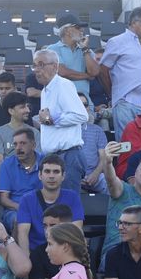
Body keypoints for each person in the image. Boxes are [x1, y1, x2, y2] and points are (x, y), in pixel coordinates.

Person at [33, 48, 90, 190]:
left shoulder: (62, 85)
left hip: (68, 156)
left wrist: (53, 119)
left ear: (55, 66)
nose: (37, 69)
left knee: (67, 207)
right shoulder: (46, 90)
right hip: (56, 158)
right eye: (35, 65)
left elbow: (82, 115)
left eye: (41, 64)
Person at [103, 7, 141, 134]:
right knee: (128, 145)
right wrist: (113, 95)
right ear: (134, 23)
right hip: (126, 103)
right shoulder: (117, 42)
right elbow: (103, 68)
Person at [102, 148, 141, 262]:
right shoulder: (122, 189)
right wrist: (108, 162)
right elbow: (111, 180)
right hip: (116, 254)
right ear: (135, 173)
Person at [15, 154, 84, 249]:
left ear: (63, 176)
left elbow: (76, 231)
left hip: (64, 252)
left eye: (56, 172)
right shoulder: (27, 199)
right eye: (47, 171)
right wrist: (27, 262)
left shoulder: (73, 197)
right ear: (40, 175)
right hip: (36, 254)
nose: (51, 176)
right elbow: (23, 235)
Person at [45, 17, 102, 98]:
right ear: (67, 31)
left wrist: (85, 49)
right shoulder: (53, 49)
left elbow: (95, 72)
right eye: (78, 28)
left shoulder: (85, 50)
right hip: (61, 100)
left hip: (84, 102)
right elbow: (63, 72)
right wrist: (88, 76)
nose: (82, 30)